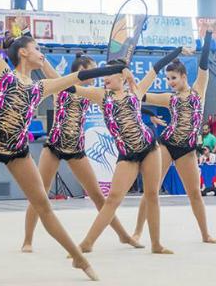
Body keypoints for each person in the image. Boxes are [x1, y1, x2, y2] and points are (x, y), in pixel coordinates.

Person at [0, 0, 126, 285]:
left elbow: (78, 77)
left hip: (19, 151)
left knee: (43, 205)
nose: (39, 52)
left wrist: (112, 68)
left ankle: (80, 259)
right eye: (35, 48)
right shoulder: (3, 73)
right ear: (23, 52)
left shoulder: (40, 87)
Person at [64, 48, 182, 256]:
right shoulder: (101, 95)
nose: (104, 78)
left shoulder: (135, 90)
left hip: (149, 148)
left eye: (109, 74)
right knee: (113, 198)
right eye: (103, 75)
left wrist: (180, 52)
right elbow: (70, 88)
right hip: (127, 154)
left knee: (152, 195)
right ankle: (88, 242)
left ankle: (156, 243)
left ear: (122, 76)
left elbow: (157, 67)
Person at [21, 53, 142, 253]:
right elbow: (45, 66)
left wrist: (125, 72)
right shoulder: (61, 85)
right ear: (83, 69)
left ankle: (123, 235)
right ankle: (28, 240)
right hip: (54, 146)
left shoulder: (92, 91)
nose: (97, 73)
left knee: (97, 195)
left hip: (77, 148)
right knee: (39, 193)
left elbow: (120, 94)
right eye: (94, 69)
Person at [132, 29, 216, 244]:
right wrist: (133, 90)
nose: (170, 81)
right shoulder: (170, 99)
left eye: (173, 78)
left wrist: (207, 35)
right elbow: (140, 98)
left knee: (195, 193)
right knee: (152, 190)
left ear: (184, 76)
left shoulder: (199, 90)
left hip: (187, 149)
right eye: (168, 78)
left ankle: (205, 234)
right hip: (167, 145)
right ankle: (137, 232)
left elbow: (204, 64)